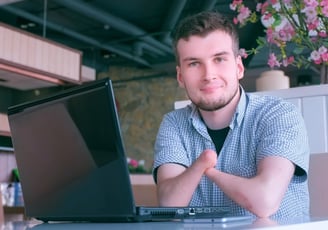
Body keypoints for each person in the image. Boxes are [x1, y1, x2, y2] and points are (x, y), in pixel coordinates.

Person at [152, 11, 310, 219]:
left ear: (238, 67)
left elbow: (265, 202)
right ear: (181, 76)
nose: (208, 75)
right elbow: (169, 203)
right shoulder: (173, 123)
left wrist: (208, 170)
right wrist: (200, 164)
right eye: (194, 63)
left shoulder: (279, 115)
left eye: (219, 59)